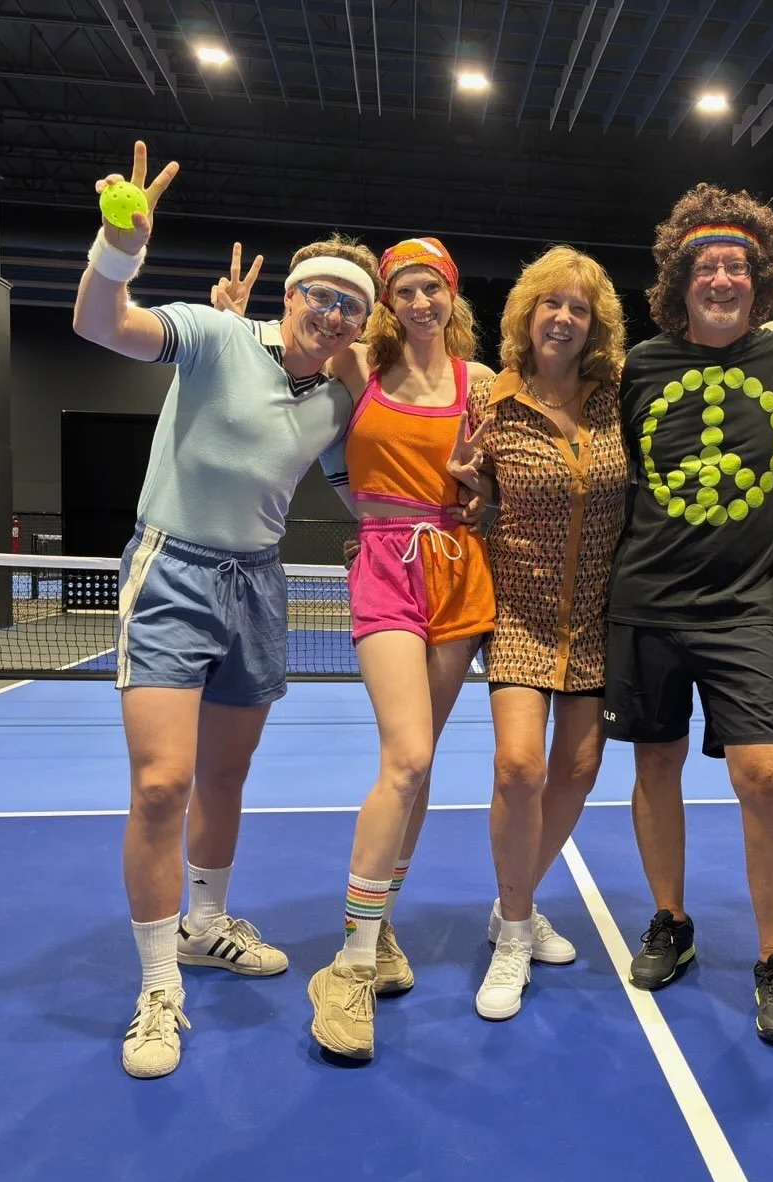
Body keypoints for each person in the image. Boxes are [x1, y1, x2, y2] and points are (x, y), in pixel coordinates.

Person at [72, 142, 377, 1079]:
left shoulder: (337, 399)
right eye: (319, 294)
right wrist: (119, 246)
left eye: (349, 305)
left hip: (258, 585)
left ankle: (206, 922)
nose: (330, 311)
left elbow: (366, 488)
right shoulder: (212, 333)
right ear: (290, 295)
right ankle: (159, 986)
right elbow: (100, 324)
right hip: (172, 572)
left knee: (226, 777)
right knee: (163, 783)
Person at [599, 183, 773, 1047]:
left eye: (736, 265)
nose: (721, 277)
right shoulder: (636, 367)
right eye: (705, 265)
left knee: (766, 778)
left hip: (745, 612)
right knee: (655, 770)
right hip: (644, 603)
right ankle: (671, 919)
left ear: (762, 278)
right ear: (680, 279)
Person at [302, 237, 498, 1061]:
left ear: (453, 295)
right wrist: (362, 513)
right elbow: (299, 391)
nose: (420, 302)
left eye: (432, 288)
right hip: (386, 565)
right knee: (407, 757)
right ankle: (346, 966)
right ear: (389, 301)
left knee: (424, 761)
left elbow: (490, 495)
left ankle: (377, 928)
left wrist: (476, 486)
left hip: (459, 567)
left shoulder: (481, 385)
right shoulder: (357, 370)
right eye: (405, 290)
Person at [465, 247, 630, 1019]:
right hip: (519, 613)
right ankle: (514, 931)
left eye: (579, 308)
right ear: (526, 316)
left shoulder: (616, 400)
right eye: (550, 304)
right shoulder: (488, 404)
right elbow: (469, 492)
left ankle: (513, 903)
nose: (563, 318)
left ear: (594, 325)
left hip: (596, 613)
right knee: (519, 768)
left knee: (581, 769)